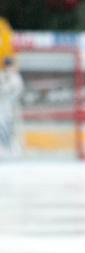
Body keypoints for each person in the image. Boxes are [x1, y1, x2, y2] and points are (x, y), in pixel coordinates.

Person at [0, 17, 24, 159]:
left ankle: (7, 145)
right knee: (6, 112)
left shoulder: (2, 25)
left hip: (6, 77)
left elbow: (9, 57)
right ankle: (10, 145)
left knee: (6, 112)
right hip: (7, 76)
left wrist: (9, 72)